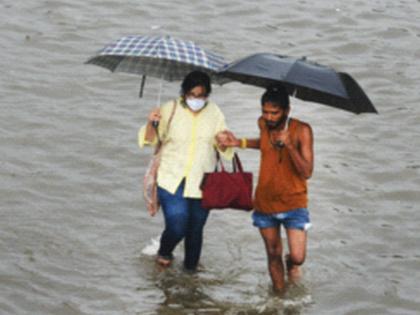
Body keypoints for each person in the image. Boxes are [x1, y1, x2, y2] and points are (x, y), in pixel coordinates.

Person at [216, 85, 314, 292]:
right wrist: (238, 142)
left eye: (274, 113)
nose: (268, 117)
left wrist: (289, 145)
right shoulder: (263, 125)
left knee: (298, 256)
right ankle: (279, 298)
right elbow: (265, 144)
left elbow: (307, 171)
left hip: (294, 203)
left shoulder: (302, 130)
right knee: (272, 253)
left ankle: (291, 264)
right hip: (264, 203)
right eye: (265, 112)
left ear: (287, 111)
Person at [138, 71, 233, 271]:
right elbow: (150, 140)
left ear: (207, 95)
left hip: (203, 181)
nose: (196, 100)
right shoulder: (169, 109)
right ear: (184, 93)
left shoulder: (215, 113)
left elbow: (225, 149)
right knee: (178, 224)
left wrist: (224, 142)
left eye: (201, 96)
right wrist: (151, 122)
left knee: (196, 230)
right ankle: (165, 251)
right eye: (192, 95)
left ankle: (190, 277)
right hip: (171, 178)